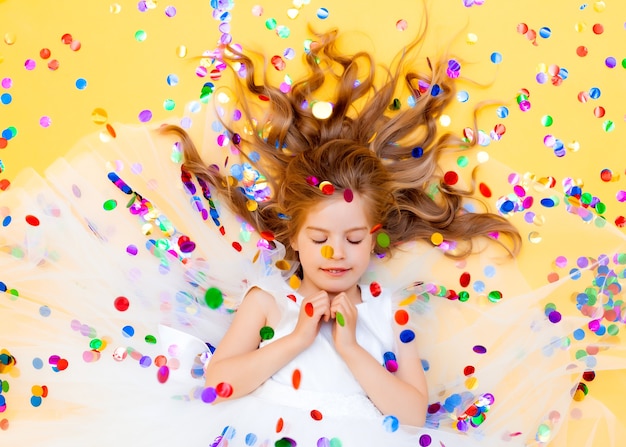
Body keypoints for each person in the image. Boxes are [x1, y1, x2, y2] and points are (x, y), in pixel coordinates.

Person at [1, 14, 625, 447]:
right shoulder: (266, 295)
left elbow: (412, 409)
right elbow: (221, 382)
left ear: (375, 236)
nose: (335, 254)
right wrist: (298, 338)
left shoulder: (388, 309)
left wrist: (352, 346)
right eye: (320, 239)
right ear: (293, 236)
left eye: (353, 241)